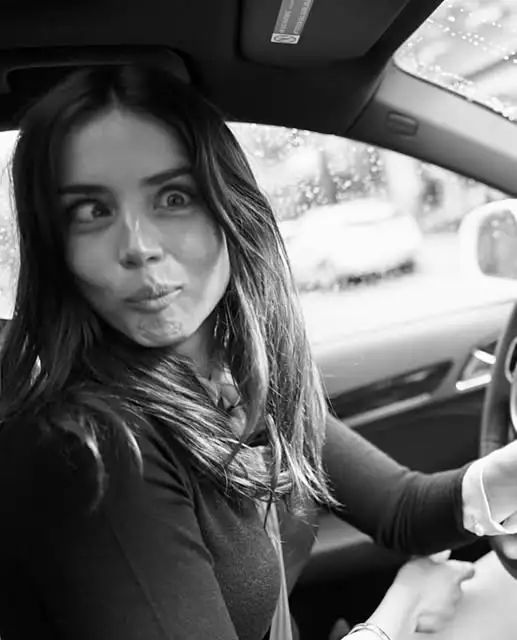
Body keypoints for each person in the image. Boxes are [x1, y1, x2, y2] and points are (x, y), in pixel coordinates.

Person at [1, 63, 517, 640]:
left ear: (231, 211)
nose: (139, 246)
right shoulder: (93, 448)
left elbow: (401, 507)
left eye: (173, 197)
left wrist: (506, 475)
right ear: (56, 248)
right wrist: (400, 613)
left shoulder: (238, 377)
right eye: (92, 211)